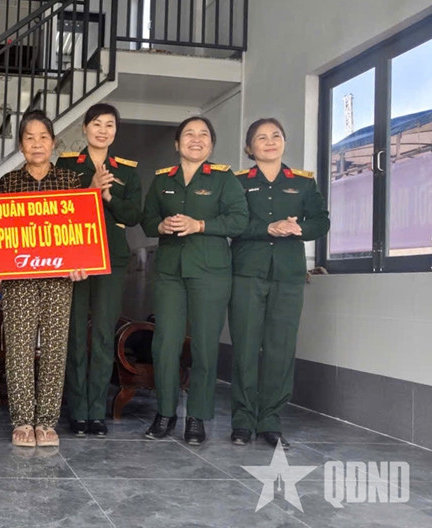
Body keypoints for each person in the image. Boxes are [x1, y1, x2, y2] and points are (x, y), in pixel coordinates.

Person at [141, 116, 248, 446]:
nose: (196, 139)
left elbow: (239, 220)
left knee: (204, 346)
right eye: (189, 134)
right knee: (165, 344)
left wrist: (200, 225)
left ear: (211, 145)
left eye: (204, 134)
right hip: (170, 272)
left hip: (210, 272)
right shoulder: (162, 180)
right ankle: (165, 412)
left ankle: (197, 416)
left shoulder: (224, 178)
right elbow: (147, 219)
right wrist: (161, 226)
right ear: (177, 144)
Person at [229, 118, 330, 449]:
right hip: (247, 272)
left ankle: (270, 420)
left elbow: (321, 221)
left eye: (276, 136)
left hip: (288, 274)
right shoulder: (237, 182)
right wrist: (267, 229)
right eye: (261, 137)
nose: (270, 141)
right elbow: (233, 223)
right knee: (245, 347)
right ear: (249, 147)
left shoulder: (303, 182)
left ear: (284, 142)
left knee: (281, 347)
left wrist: (300, 229)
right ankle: (243, 420)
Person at [0, 111, 86, 448]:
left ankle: (46, 421)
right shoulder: (8, 183)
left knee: (55, 348)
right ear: (21, 145)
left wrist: (81, 262)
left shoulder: (70, 181)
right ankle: (22, 420)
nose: (36, 144)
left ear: (53, 143)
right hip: (20, 278)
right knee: (19, 346)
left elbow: (80, 229)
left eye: (43, 137)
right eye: (29, 138)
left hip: (59, 277)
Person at [56, 103, 142, 437]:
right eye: (96, 124)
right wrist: (89, 189)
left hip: (112, 258)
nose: (102, 130)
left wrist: (108, 197)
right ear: (84, 128)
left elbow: (133, 215)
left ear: (115, 132)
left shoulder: (128, 171)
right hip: (75, 257)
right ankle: (78, 411)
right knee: (76, 334)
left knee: (104, 334)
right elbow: (57, 209)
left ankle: (96, 411)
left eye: (109, 125)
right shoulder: (66, 165)